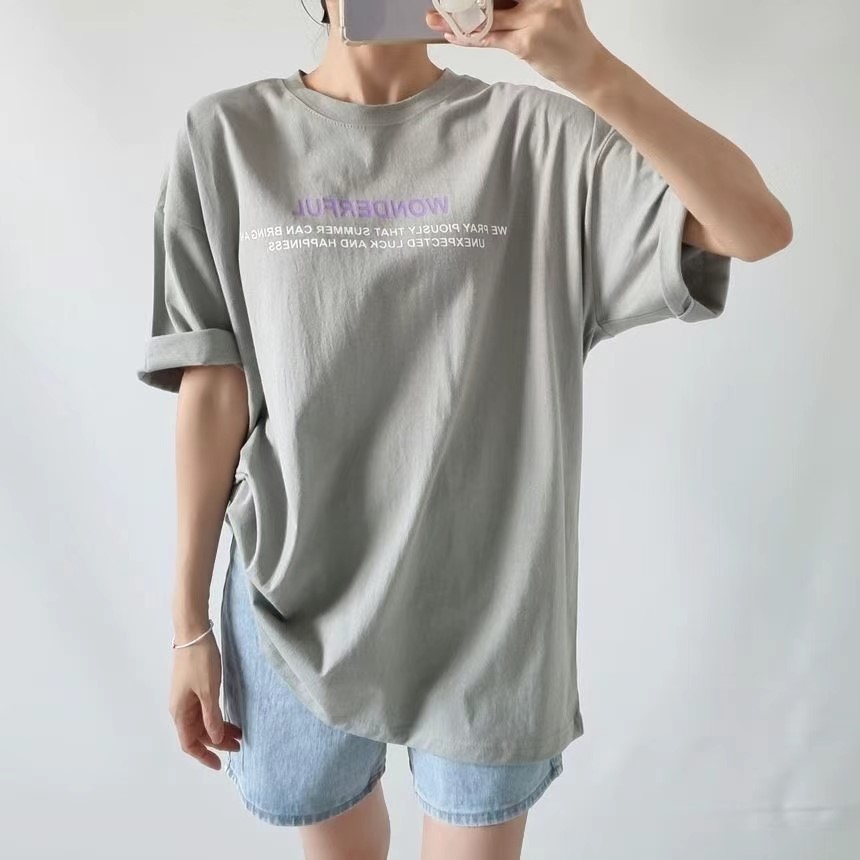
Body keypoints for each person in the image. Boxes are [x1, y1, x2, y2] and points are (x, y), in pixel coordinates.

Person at [136, 1, 792, 858]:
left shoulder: (535, 138)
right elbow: (211, 388)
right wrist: (188, 623)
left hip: (490, 617)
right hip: (289, 601)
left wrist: (589, 69)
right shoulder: (227, 137)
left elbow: (756, 226)